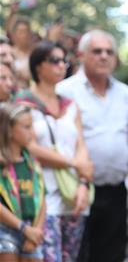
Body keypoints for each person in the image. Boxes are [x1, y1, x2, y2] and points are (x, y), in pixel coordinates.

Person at [56, 30, 128, 262]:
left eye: (109, 52)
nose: (104, 56)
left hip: (116, 190)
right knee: (77, 255)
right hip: (76, 191)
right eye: (97, 51)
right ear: (82, 55)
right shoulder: (65, 91)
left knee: (112, 255)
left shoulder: (125, 94)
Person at [17, 42, 92, 262]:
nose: (61, 66)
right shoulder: (24, 104)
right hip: (42, 195)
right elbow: (29, 146)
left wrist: (83, 184)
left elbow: (81, 145)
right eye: (54, 60)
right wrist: (73, 163)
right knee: (49, 257)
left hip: (72, 194)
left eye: (64, 61)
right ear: (38, 66)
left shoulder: (70, 105)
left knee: (70, 257)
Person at [0, 103, 46, 261]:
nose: (32, 132)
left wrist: (36, 230)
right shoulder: (2, 165)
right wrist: (23, 228)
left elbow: (41, 200)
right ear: (9, 130)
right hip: (6, 229)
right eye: (27, 127)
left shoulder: (32, 164)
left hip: (31, 230)